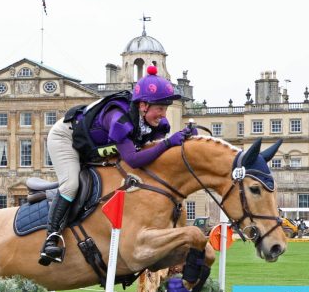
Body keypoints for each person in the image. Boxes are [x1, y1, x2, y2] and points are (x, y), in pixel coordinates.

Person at [39, 66, 195, 265]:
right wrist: (167, 143)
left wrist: (187, 139)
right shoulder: (118, 118)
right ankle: (51, 238)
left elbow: (153, 154)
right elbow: (133, 159)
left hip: (94, 147)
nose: (163, 115)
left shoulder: (155, 123)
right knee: (71, 185)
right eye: (160, 108)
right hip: (66, 139)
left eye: (165, 109)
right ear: (143, 105)